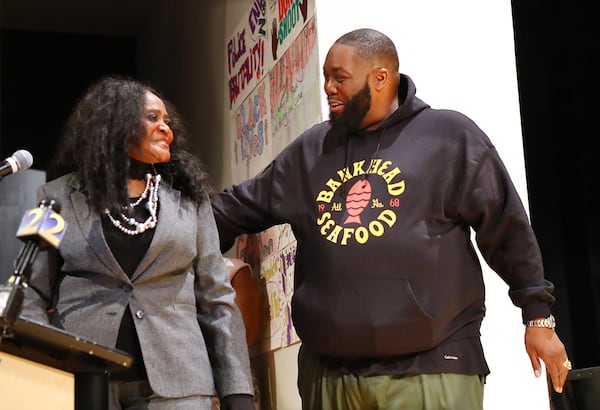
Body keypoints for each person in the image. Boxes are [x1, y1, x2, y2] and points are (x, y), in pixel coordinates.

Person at [211, 28, 570, 409]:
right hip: (330, 374)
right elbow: (236, 208)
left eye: (340, 77)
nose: (329, 87)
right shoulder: (312, 151)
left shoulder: (448, 137)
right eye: (326, 77)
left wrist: (538, 317)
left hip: (431, 367)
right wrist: (157, 209)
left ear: (381, 78)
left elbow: (507, 228)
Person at [20, 76, 256, 410]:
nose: (167, 130)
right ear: (114, 122)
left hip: (180, 387)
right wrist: (43, 368)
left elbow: (217, 297)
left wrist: (237, 391)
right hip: (84, 383)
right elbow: (30, 292)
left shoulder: (191, 201)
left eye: (168, 122)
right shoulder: (52, 198)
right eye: (153, 118)